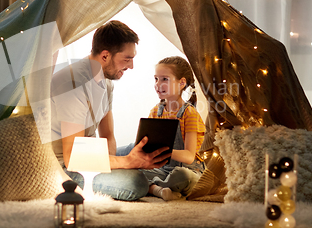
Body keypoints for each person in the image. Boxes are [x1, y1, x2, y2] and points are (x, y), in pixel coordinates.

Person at [50, 20, 170, 201]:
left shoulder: (105, 82)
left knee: (146, 149)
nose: (131, 66)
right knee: (134, 183)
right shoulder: (73, 84)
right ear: (105, 56)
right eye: (127, 59)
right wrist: (128, 163)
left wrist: (121, 162)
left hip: (91, 154)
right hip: (66, 167)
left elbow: (107, 135)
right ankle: (152, 183)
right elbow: (71, 157)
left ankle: (156, 179)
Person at [143, 56, 206, 201]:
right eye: (156, 79)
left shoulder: (189, 113)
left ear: (182, 83)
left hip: (188, 169)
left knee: (182, 176)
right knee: (134, 174)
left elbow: (189, 157)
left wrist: (163, 150)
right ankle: (162, 190)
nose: (158, 84)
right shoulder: (155, 112)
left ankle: (158, 188)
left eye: (164, 79)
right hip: (162, 169)